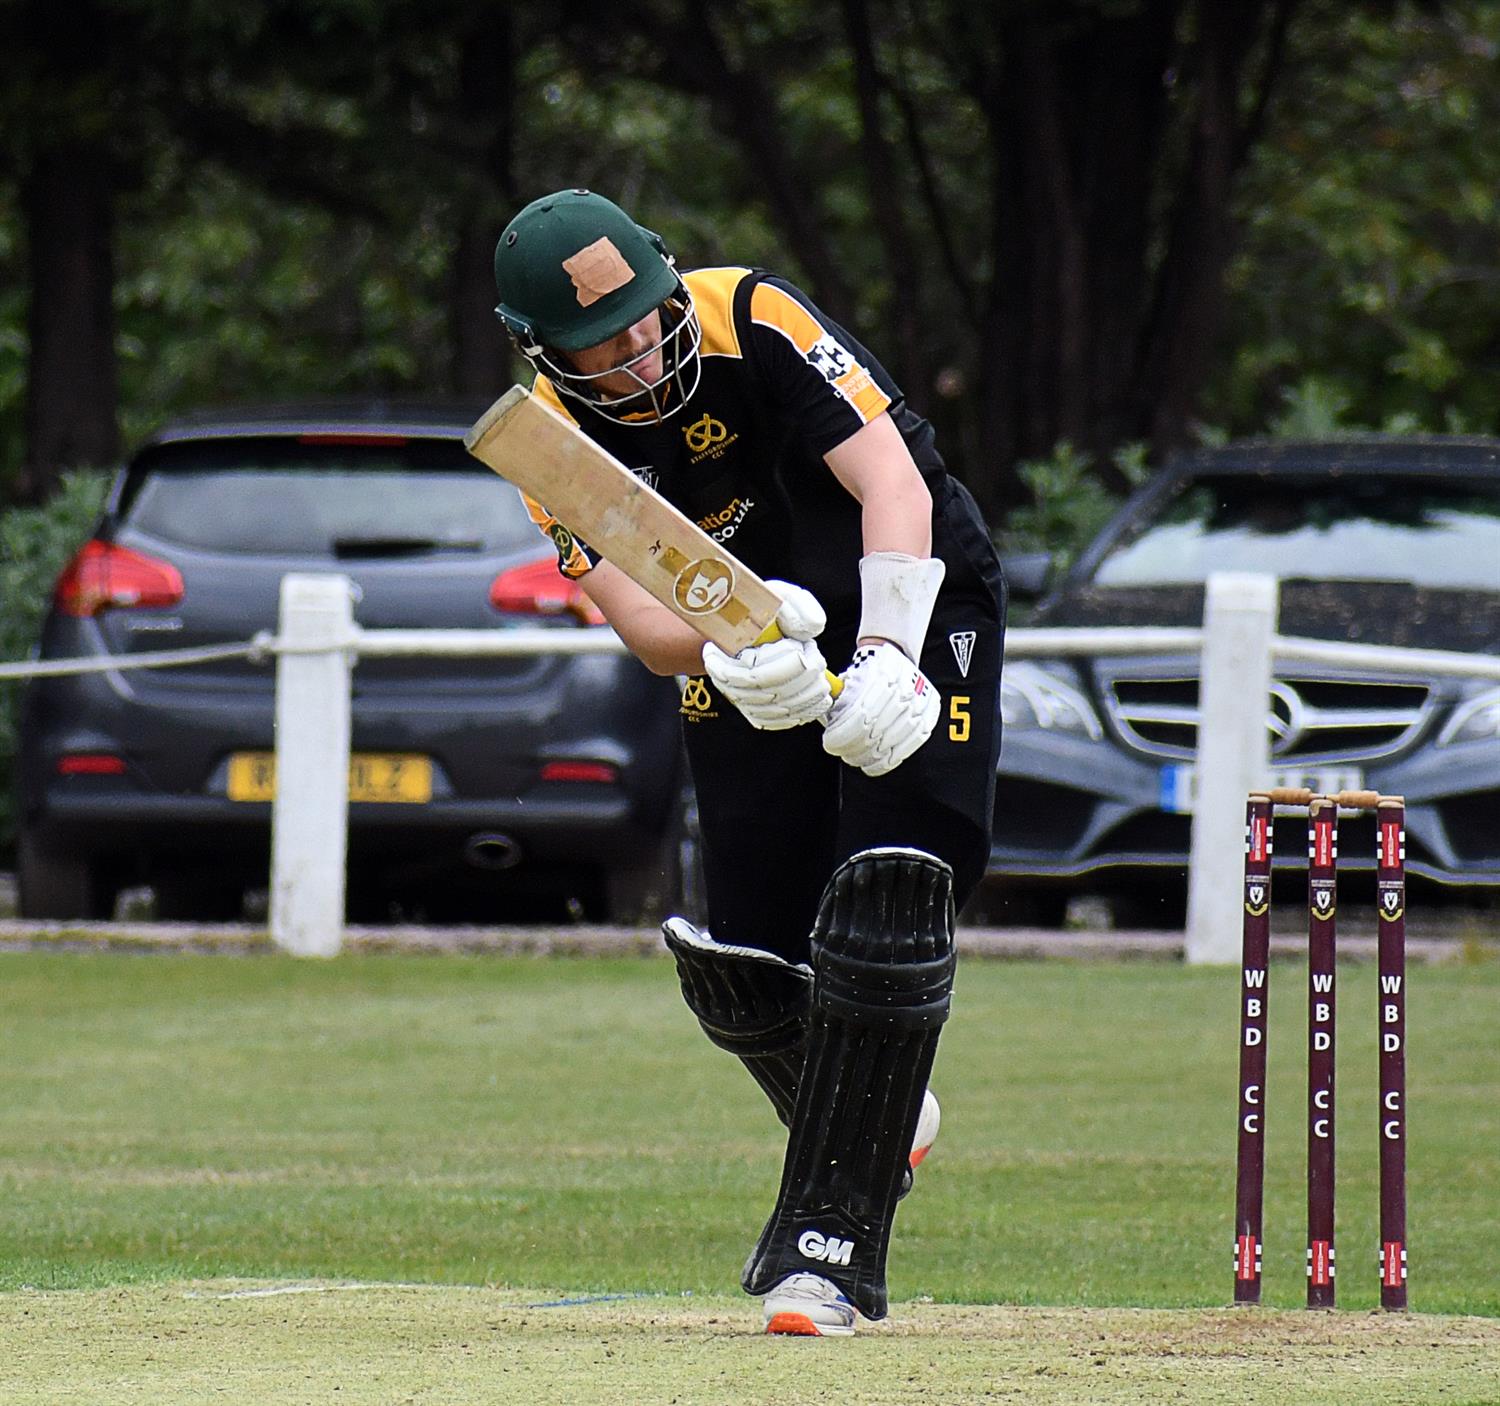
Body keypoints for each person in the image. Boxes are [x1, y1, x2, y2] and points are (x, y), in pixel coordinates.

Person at [492, 188, 1006, 1336]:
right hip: (736, 628)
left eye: (642, 321)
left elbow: (895, 485)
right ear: (543, 352)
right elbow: (640, 615)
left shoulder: (753, 314)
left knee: (890, 886)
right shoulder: (547, 441)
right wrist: (729, 653)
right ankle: (883, 1112)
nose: (636, 354)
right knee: (749, 966)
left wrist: (885, 652)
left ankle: (827, 1261)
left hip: (914, 588)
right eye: (601, 345)